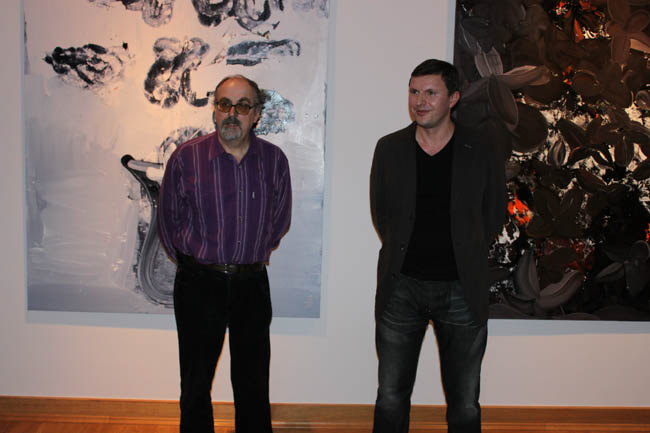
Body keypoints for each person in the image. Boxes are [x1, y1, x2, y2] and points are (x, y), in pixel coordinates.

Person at [369, 59, 506, 433]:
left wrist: (465, 249)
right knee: (390, 397)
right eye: (414, 92)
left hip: (462, 289)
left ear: (454, 98)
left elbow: (494, 213)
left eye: (431, 93)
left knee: (464, 403)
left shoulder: (481, 148)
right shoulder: (390, 148)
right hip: (401, 289)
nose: (420, 101)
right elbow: (383, 215)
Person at [158, 74, 292, 433]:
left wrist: (250, 253)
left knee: (253, 382)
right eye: (224, 104)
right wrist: (195, 264)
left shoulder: (274, 161)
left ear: (257, 114)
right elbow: (168, 222)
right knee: (196, 382)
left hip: (252, 284)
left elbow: (279, 221)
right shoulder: (186, 158)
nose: (233, 113)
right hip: (199, 284)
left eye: (243, 106)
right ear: (214, 111)